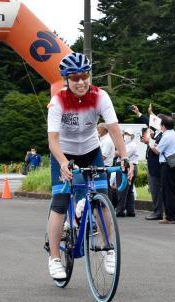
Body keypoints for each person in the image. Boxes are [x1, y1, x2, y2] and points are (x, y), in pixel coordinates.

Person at [47, 52, 132, 280]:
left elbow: (113, 128)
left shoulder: (100, 96)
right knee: (60, 201)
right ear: (66, 79)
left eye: (84, 76)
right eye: (75, 78)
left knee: (103, 199)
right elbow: (52, 139)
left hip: (90, 151)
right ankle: (54, 258)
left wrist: (124, 157)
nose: (81, 81)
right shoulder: (58, 101)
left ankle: (108, 248)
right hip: (63, 153)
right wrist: (63, 162)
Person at [131, 104, 164, 220]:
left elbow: (157, 149)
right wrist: (139, 113)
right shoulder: (158, 132)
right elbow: (147, 121)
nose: (152, 122)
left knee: (156, 189)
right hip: (153, 164)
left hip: (156, 166)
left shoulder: (162, 134)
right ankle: (158, 211)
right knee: (155, 189)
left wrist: (149, 140)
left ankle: (158, 212)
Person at [153, 115, 175, 224]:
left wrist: (150, 143)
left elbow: (157, 151)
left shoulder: (165, 136)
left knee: (167, 191)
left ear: (164, 126)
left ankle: (170, 217)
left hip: (168, 165)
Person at [115, 128, 139, 217]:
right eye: (125, 133)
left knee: (123, 189)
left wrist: (113, 152)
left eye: (128, 134)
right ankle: (130, 210)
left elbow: (123, 154)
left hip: (127, 167)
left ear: (132, 136)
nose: (125, 135)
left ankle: (120, 211)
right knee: (129, 190)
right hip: (130, 166)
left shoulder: (132, 145)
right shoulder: (127, 144)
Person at [98, 123, 116, 203]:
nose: (96, 130)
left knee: (105, 187)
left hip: (104, 166)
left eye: (98, 128)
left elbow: (103, 156)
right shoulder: (101, 139)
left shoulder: (107, 141)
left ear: (104, 130)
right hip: (100, 166)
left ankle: (109, 205)